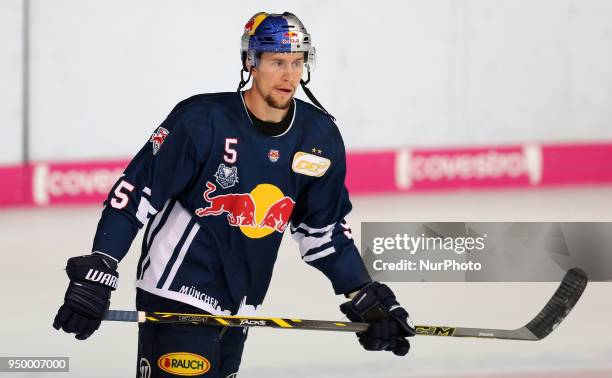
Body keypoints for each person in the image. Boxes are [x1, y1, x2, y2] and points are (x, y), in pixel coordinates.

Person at [53, 11, 415, 378]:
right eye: (277, 62)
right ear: (250, 62)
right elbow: (133, 195)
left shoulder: (319, 138)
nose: (289, 75)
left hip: (241, 304)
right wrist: (101, 265)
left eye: (297, 61)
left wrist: (364, 294)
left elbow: (323, 233)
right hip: (178, 293)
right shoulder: (201, 120)